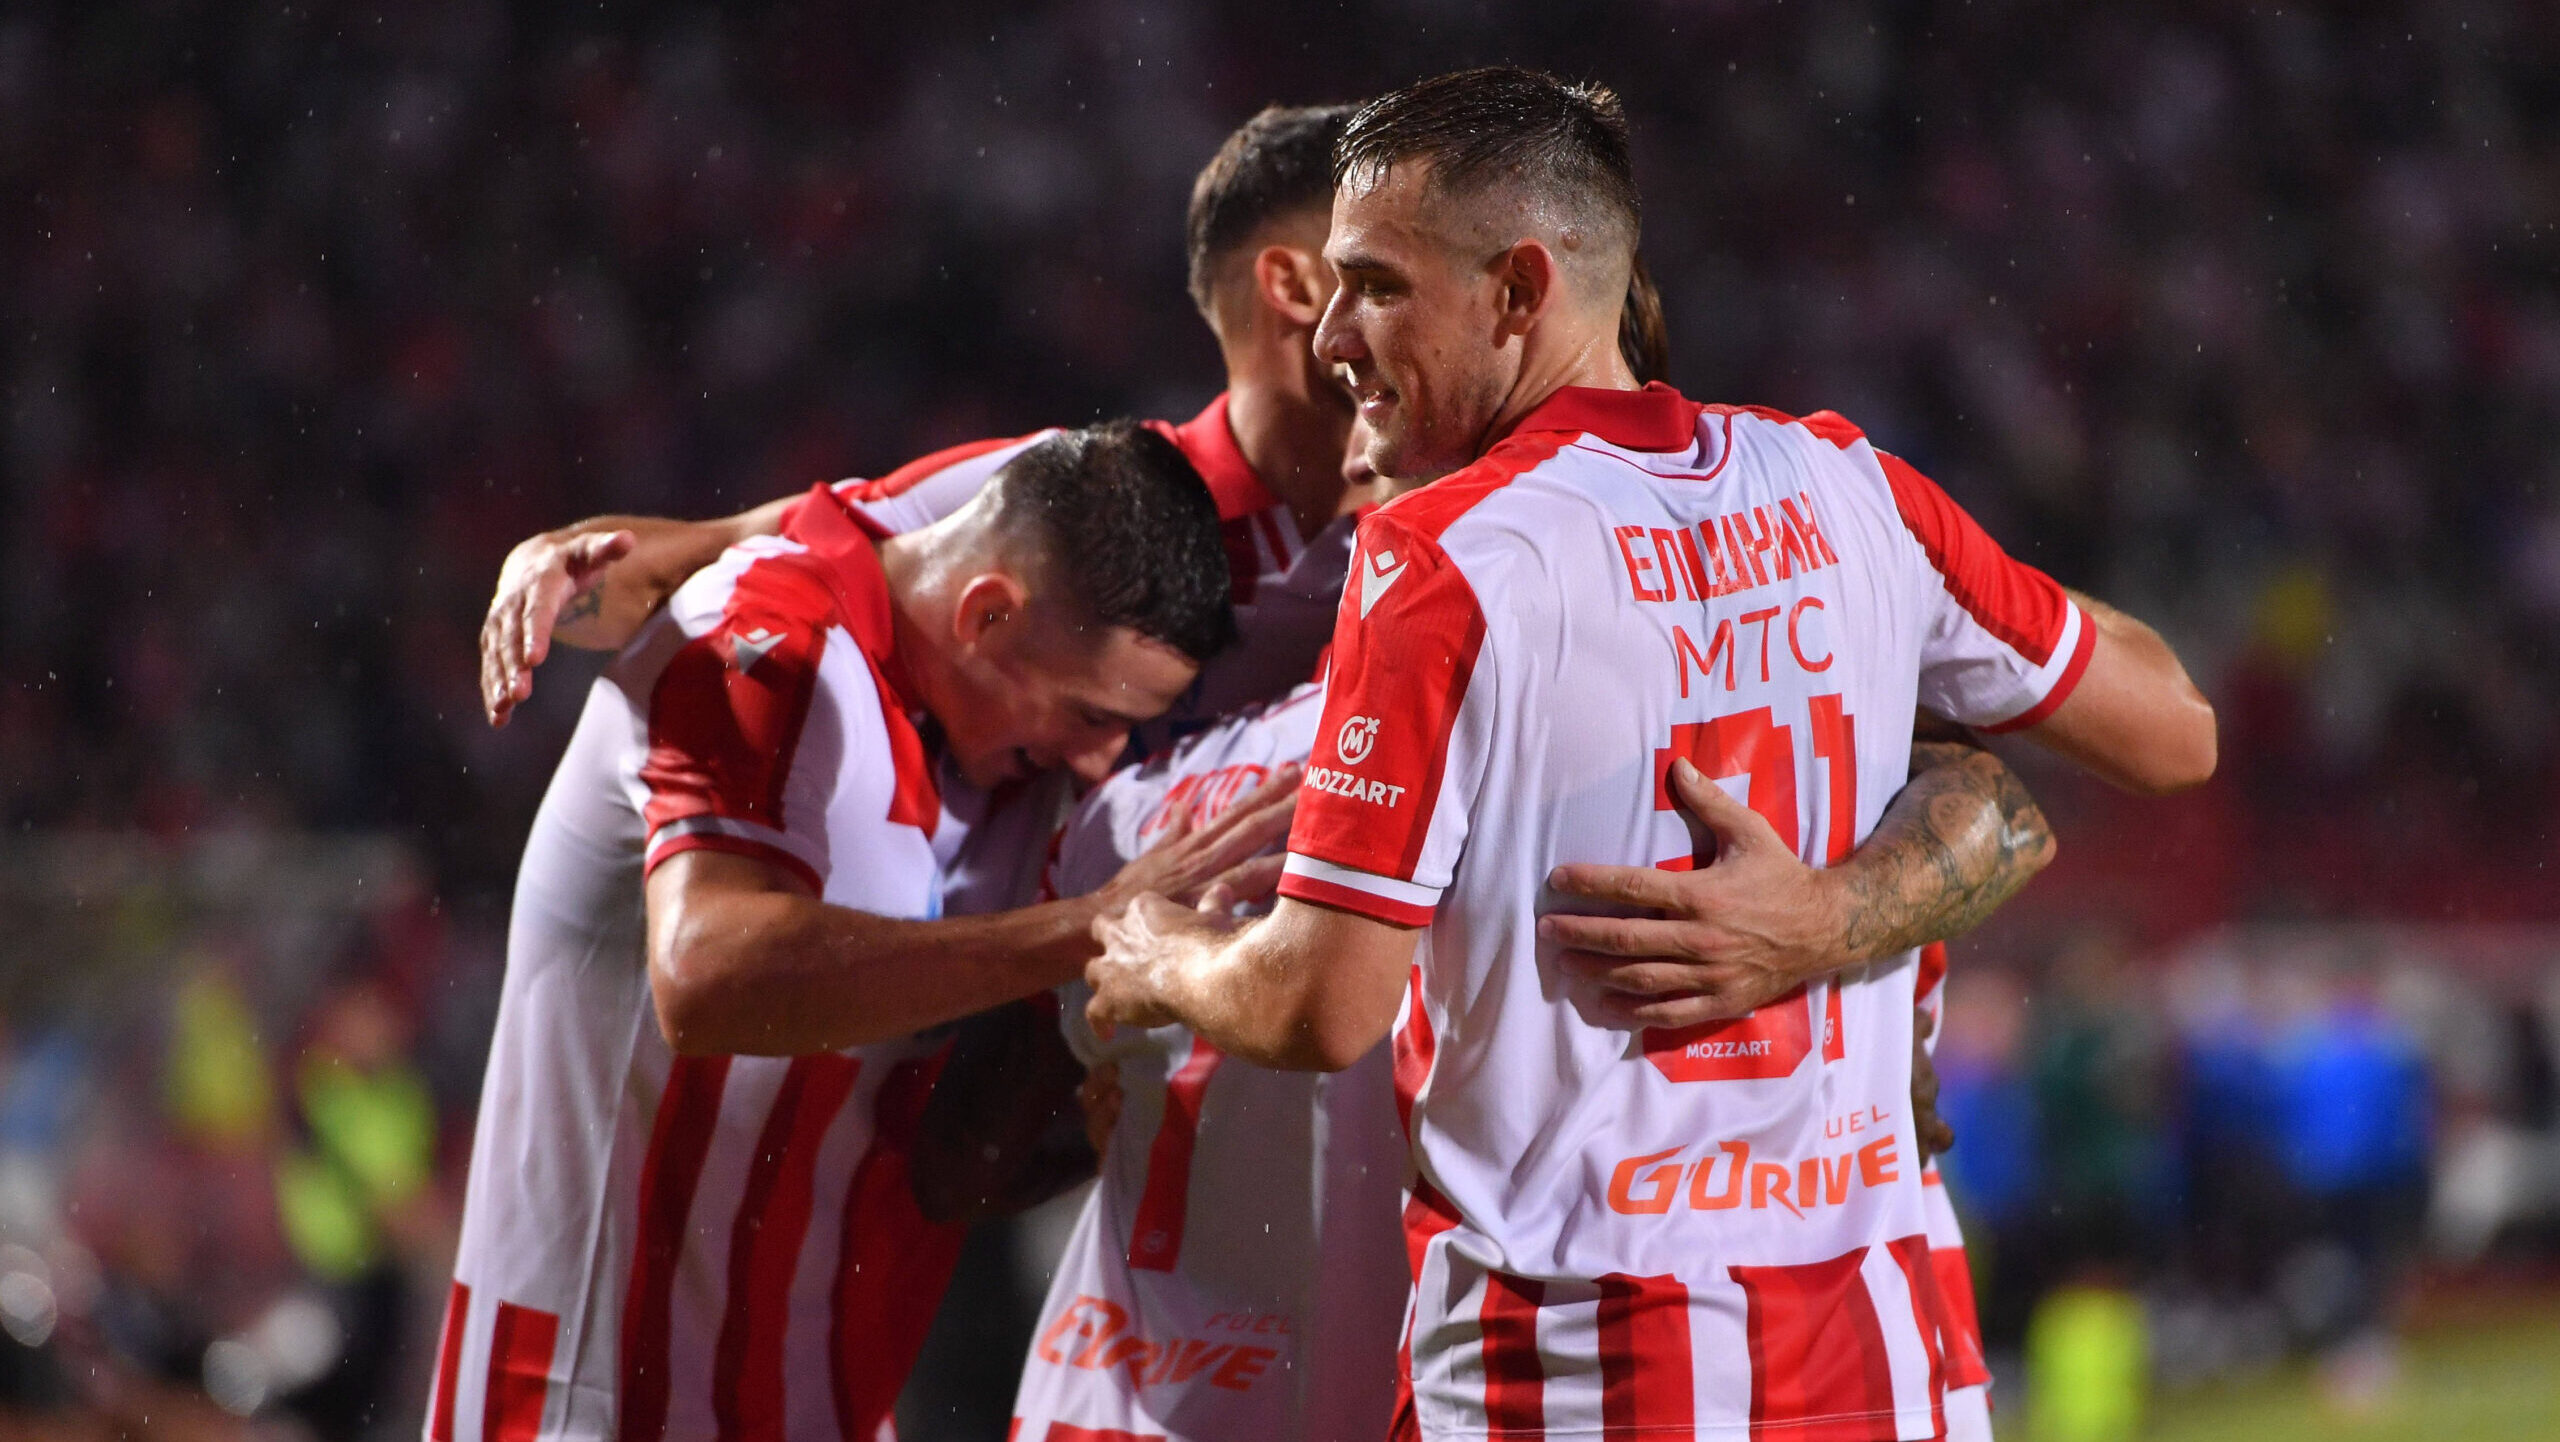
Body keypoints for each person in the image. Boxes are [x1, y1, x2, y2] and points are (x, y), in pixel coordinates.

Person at [1086, 67, 2215, 1441]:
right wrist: (1841, 911)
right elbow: (2171, 729)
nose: (1331, 334)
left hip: (1585, 1360)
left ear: (1518, 290)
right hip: (1883, 1349)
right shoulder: (1850, 489)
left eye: (1376, 284)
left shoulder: (1442, 564)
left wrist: (1155, 954)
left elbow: (1321, 1005)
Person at [430, 423, 1284, 1442]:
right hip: (599, 1395)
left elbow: (938, 1163)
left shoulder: (966, 716)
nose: (1097, 755)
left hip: (800, 1395)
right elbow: (707, 975)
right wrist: (1088, 927)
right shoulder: (765, 646)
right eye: (1084, 709)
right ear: (987, 611)